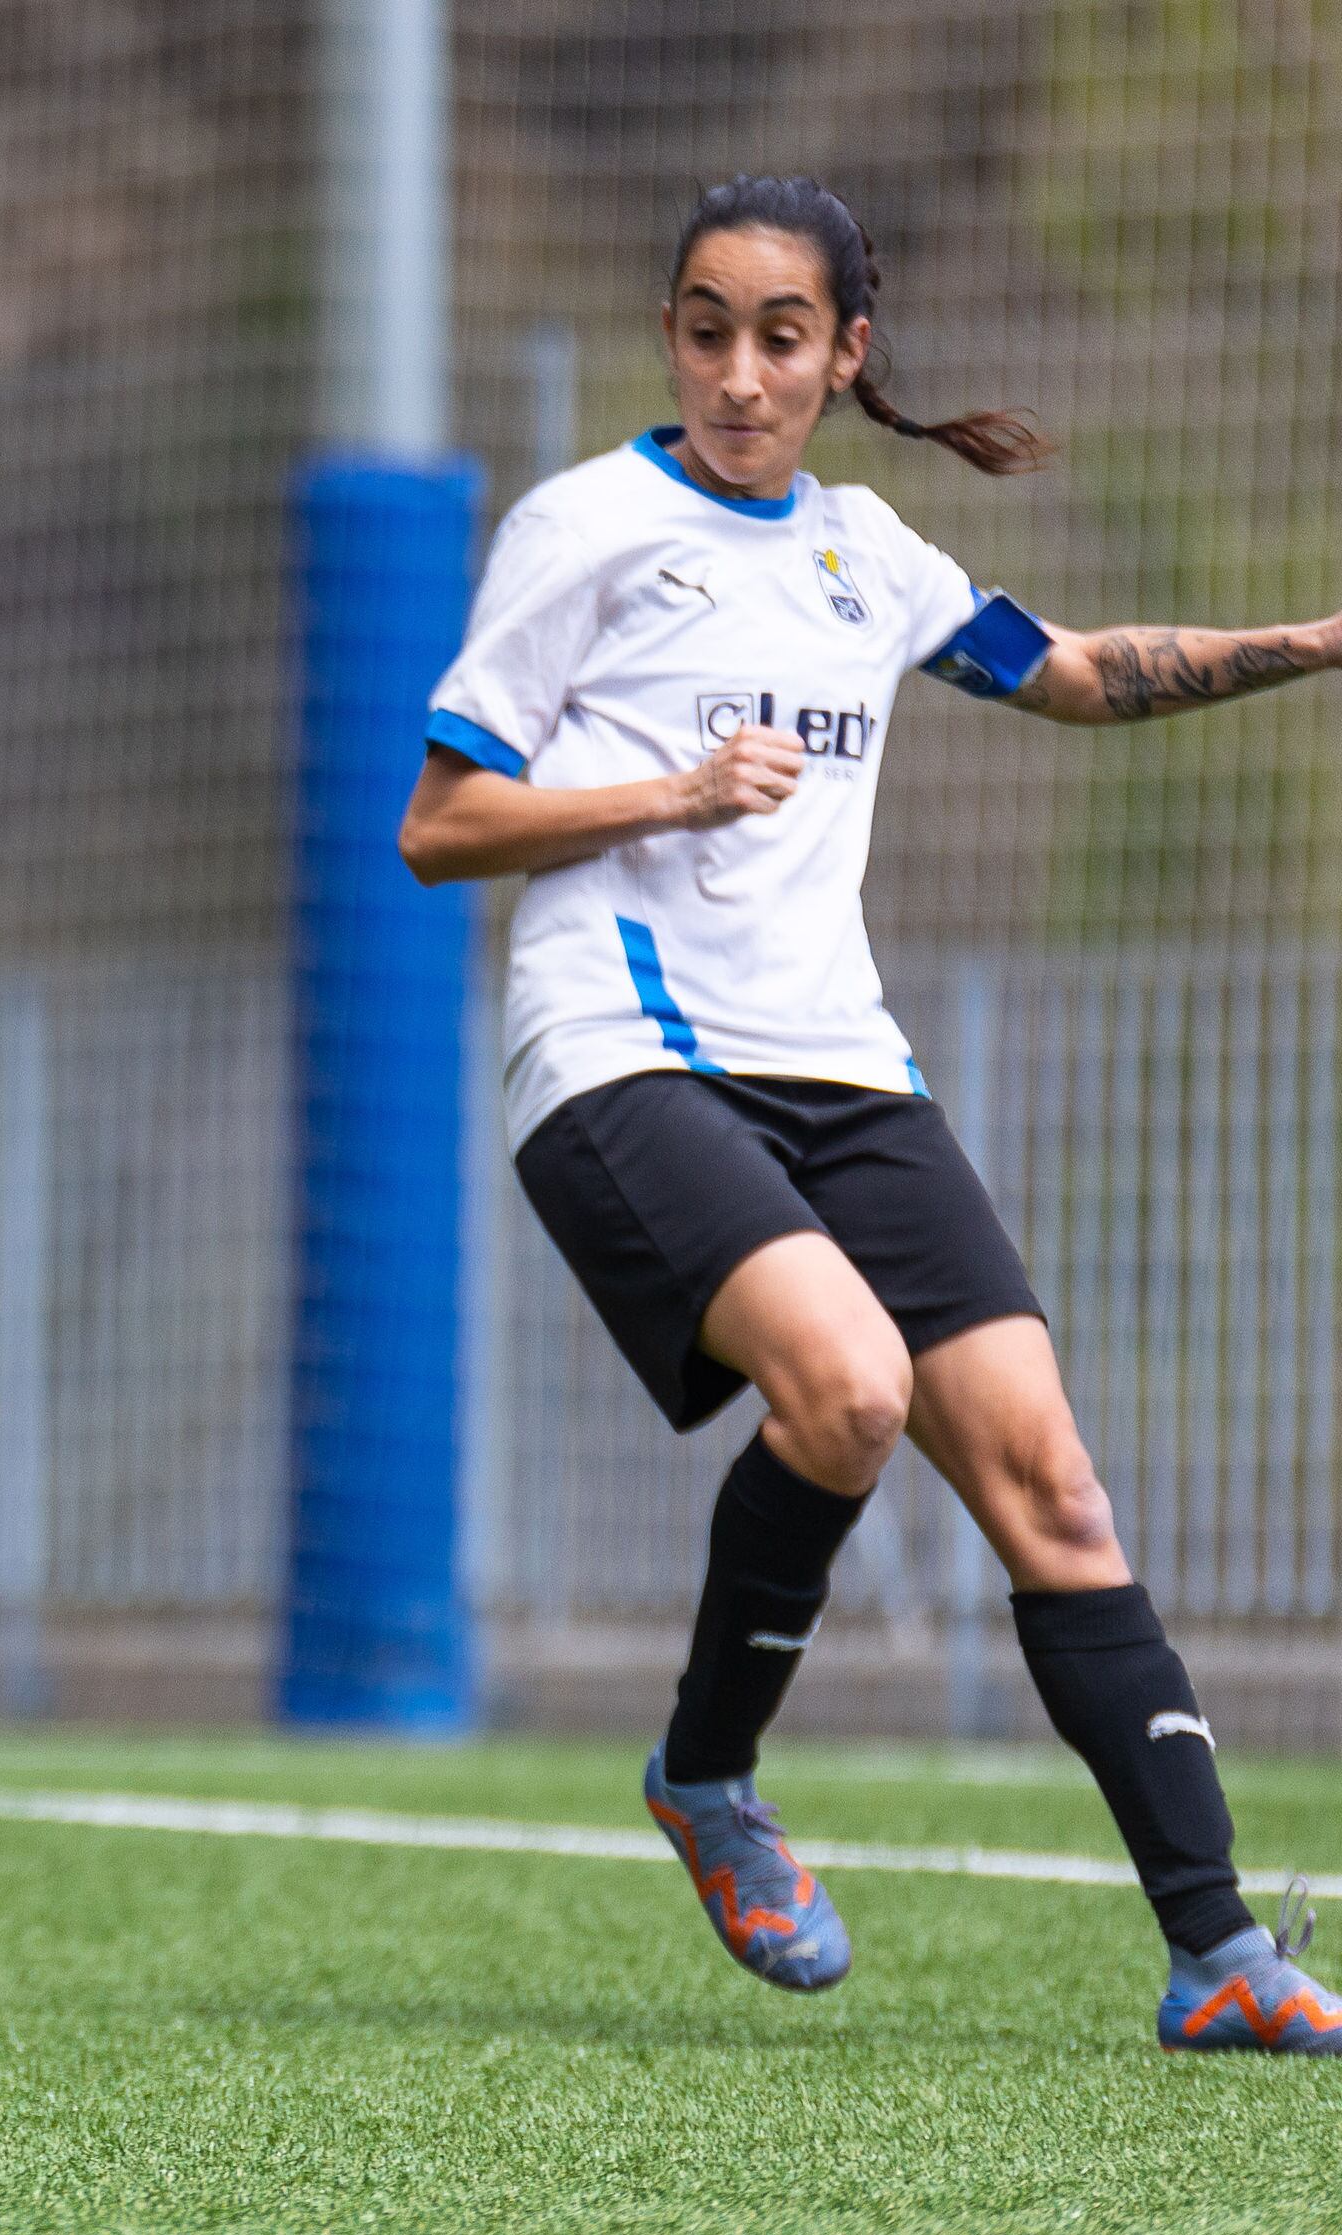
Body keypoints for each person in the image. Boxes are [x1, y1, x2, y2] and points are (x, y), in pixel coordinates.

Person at [402, 175, 1342, 2053]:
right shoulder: (584, 526)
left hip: (844, 1068)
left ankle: (1221, 1957)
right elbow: (442, 826)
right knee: (848, 1387)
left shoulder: (866, 552)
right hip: (622, 1050)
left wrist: (1310, 647)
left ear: (846, 354)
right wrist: (663, 797)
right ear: (670, 334)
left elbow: (1068, 673)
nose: (739, 372)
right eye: (703, 328)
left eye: (780, 336)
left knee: (1051, 1482)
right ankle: (709, 1774)